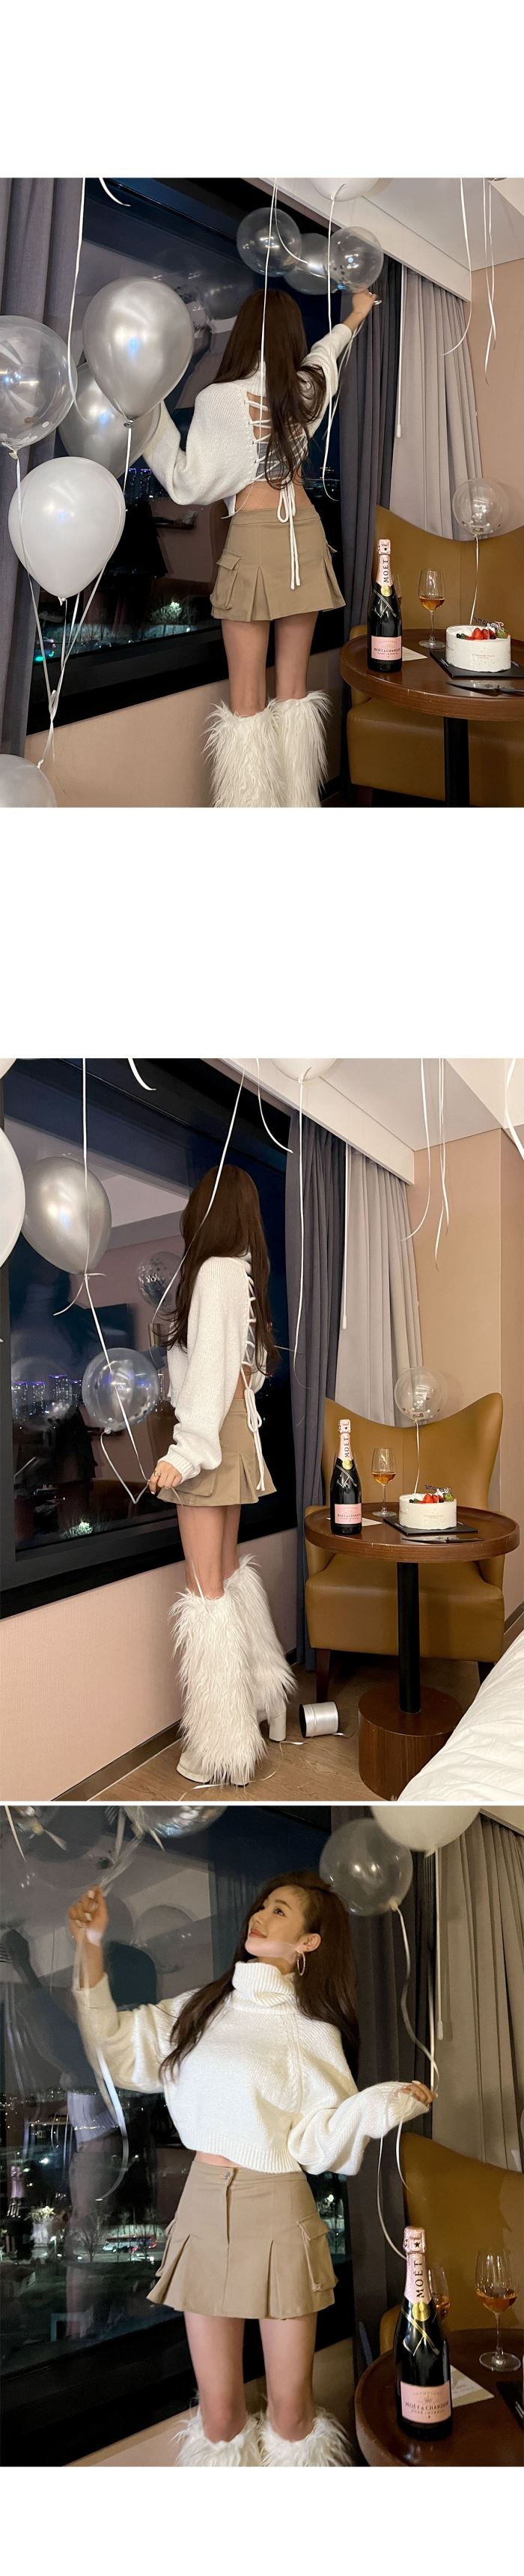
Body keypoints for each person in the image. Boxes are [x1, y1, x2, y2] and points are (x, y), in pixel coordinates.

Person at [70, 1869, 433, 2468]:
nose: (260, 1915)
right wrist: (88, 1947)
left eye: (280, 1911)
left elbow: (319, 2142)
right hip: (202, 2203)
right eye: (262, 1905)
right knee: (218, 2418)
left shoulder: (310, 2030)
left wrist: (378, 2106)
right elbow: (114, 2044)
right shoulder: (201, 2007)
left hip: (276, 2209)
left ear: (309, 1942)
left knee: (292, 2415)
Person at [141, 285, 375, 806]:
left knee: (246, 697)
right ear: (291, 336)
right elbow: (327, 351)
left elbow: (186, 484)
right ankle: (298, 808)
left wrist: (147, 408)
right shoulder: (307, 387)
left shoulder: (219, 400)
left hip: (254, 540)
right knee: (294, 690)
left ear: (244, 333)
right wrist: (357, 313)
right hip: (305, 537)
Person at [147, 1164, 293, 1787]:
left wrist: (183, 1452)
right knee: (226, 1575)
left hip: (210, 1437)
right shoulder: (245, 1275)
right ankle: (265, 1698)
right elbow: (251, 1371)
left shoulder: (212, 1273)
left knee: (204, 1590)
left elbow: (208, 1377)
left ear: (205, 1212)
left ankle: (220, 1747)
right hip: (237, 1434)